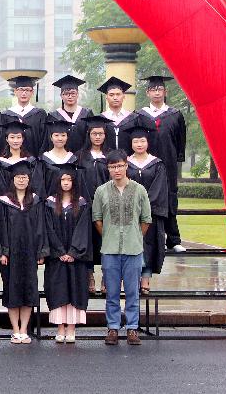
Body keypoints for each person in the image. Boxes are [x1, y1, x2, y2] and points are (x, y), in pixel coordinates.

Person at [93, 150, 152, 346]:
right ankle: (113, 327)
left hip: (133, 249)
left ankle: (132, 328)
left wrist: (134, 236)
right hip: (109, 249)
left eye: (119, 165)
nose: (116, 170)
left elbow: (146, 220)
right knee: (112, 292)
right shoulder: (101, 191)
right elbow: (97, 219)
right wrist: (109, 235)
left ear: (127, 165)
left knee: (132, 292)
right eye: (112, 167)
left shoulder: (139, 190)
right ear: (108, 169)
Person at [0, 159, 48, 344]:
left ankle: (24, 330)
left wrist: (41, 252)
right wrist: (2, 252)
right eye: (18, 177)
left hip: (30, 253)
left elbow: (41, 228)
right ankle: (15, 330)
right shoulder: (4, 202)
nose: (21, 180)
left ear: (29, 179)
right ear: (12, 179)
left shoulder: (36, 201)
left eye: (24, 177)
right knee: (12, 291)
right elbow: (0, 228)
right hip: (10, 255)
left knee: (29, 290)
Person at [43, 162, 93, 343]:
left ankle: (71, 328)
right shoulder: (49, 203)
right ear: (58, 181)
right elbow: (48, 229)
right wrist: (59, 251)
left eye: (69, 179)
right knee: (58, 290)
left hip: (76, 258)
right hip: (56, 258)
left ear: (74, 182)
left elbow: (83, 229)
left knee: (75, 289)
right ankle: (60, 328)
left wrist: (73, 252)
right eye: (63, 179)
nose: (66, 183)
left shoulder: (82, 203)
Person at [138, 75, 187, 252]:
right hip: (145, 165)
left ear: (165, 92)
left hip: (168, 165)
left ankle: (173, 239)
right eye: (153, 89)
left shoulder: (175, 115)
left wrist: (175, 159)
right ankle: (144, 239)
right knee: (145, 198)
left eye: (159, 89)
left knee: (170, 198)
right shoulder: (140, 115)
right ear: (148, 93)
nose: (157, 92)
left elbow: (180, 142)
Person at [125, 122, 169, 295]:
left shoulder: (157, 164)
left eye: (142, 141)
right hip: (129, 213)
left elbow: (159, 189)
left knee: (148, 246)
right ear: (131, 143)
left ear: (147, 142)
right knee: (131, 246)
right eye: (136, 141)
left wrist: (143, 207)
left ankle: (145, 278)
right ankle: (132, 279)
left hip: (150, 213)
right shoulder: (125, 163)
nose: (139, 144)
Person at [75, 115, 111, 294]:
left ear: (105, 135)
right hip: (85, 206)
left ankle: (106, 276)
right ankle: (89, 276)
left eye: (101, 133)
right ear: (88, 134)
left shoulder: (111, 155)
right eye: (94, 133)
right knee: (87, 241)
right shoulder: (80, 156)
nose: (97, 137)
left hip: (107, 207)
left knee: (106, 241)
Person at [1, 74, 47, 159]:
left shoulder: (40, 114)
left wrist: (39, 160)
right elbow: (3, 140)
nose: (24, 93)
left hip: (35, 161)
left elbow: (45, 140)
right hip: (11, 161)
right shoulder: (6, 115)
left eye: (27, 90)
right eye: (21, 90)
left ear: (32, 92)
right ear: (15, 92)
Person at [0, 119, 45, 198]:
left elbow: (37, 185)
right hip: (8, 202)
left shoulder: (31, 161)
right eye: (12, 137)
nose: (15, 141)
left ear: (23, 139)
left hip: (28, 201)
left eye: (19, 137)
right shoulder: (0, 163)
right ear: (6, 139)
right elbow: (0, 186)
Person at [46, 75, 90, 153]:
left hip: (83, 157)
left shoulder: (87, 114)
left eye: (73, 93)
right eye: (66, 94)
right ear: (61, 96)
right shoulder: (53, 116)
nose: (70, 96)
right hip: (61, 156)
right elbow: (49, 141)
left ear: (77, 94)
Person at [39, 118, 81, 200]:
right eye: (56, 135)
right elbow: (40, 185)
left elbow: (77, 183)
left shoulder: (74, 159)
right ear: (51, 138)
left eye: (63, 135)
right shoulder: (43, 159)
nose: (60, 139)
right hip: (49, 203)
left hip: (70, 202)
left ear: (67, 137)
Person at [97, 76, 137, 155]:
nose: (115, 98)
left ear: (123, 96)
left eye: (118, 94)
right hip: (105, 160)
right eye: (111, 95)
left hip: (129, 159)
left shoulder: (134, 118)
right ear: (106, 97)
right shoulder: (100, 119)